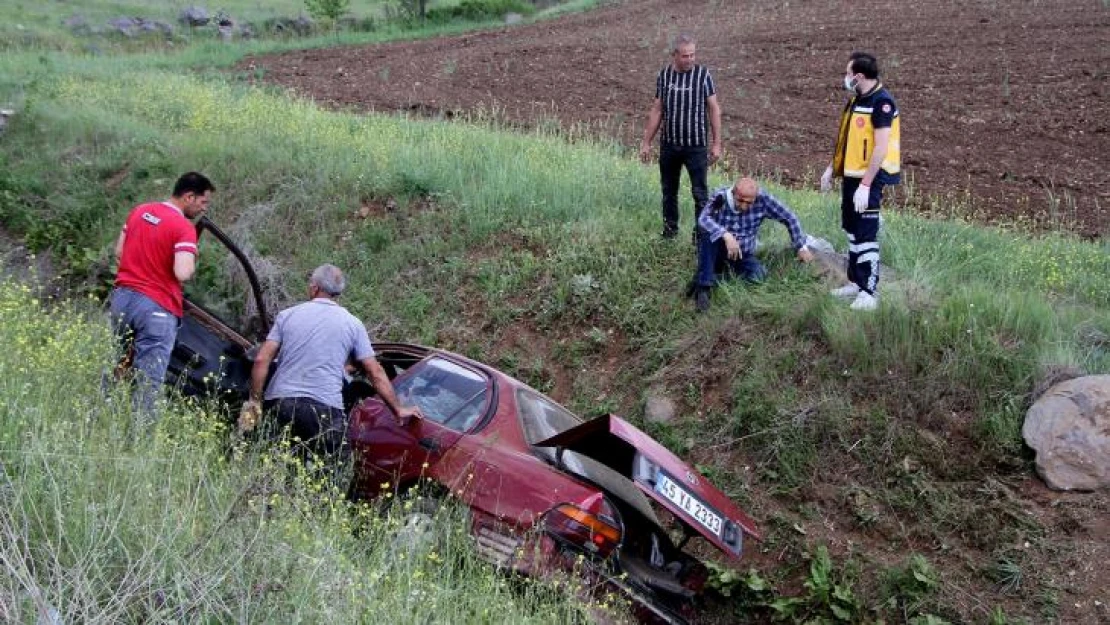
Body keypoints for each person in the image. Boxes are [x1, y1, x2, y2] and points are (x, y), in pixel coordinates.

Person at [240, 264, 422, 475]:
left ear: (314, 288)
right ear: (339, 293)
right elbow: (375, 372)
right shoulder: (353, 325)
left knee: (265, 467)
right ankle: (316, 506)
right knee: (334, 475)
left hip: (283, 402)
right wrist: (398, 409)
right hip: (325, 408)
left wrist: (254, 401)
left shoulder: (288, 315)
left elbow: (262, 359)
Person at [109, 171, 214, 421]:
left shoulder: (140, 211)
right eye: (202, 202)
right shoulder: (182, 228)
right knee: (149, 380)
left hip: (122, 299)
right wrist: (191, 259)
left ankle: (105, 416)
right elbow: (183, 272)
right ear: (189, 196)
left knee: (117, 363)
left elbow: (118, 252)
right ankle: (141, 441)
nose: (203, 209)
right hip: (155, 307)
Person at [819, 51, 901, 311]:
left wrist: (866, 184)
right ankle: (855, 282)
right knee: (852, 231)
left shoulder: (882, 103)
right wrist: (832, 168)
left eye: (847, 73)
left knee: (866, 234)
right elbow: (847, 141)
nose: (845, 78)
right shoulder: (856, 100)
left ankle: (870, 292)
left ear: (858, 76)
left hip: (870, 179)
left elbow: (880, 147)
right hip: (852, 176)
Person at [639, 34, 722, 241]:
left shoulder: (703, 75)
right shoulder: (664, 76)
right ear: (674, 55)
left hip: (696, 146)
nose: (690, 59)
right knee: (668, 192)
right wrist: (646, 142)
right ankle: (669, 232)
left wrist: (717, 143)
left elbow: (714, 109)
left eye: (693, 55)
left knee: (700, 194)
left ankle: (701, 238)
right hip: (669, 145)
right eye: (685, 56)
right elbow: (657, 110)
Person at [692, 178, 814, 312]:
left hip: (742, 254)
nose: (744, 206)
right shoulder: (720, 197)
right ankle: (703, 289)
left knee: (759, 276)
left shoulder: (763, 200)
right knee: (708, 234)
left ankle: (711, 278)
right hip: (718, 251)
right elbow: (703, 219)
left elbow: (790, 217)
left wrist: (801, 246)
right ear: (733, 193)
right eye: (740, 201)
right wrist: (726, 235)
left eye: (749, 202)